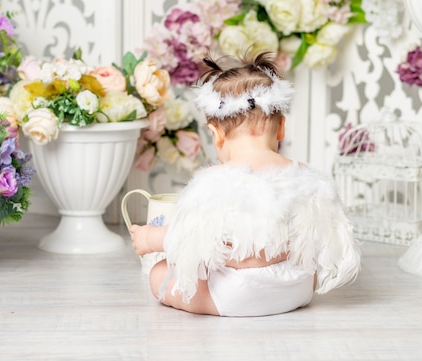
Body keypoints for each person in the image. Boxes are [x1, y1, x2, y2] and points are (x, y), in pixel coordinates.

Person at [129, 52, 361, 317]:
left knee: (160, 272)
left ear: (216, 135)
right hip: (297, 289)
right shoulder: (303, 174)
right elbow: (325, 234)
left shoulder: (217, 180)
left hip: (236, 294)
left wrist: (149, 238)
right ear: (281, 128)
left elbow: (190, 234)